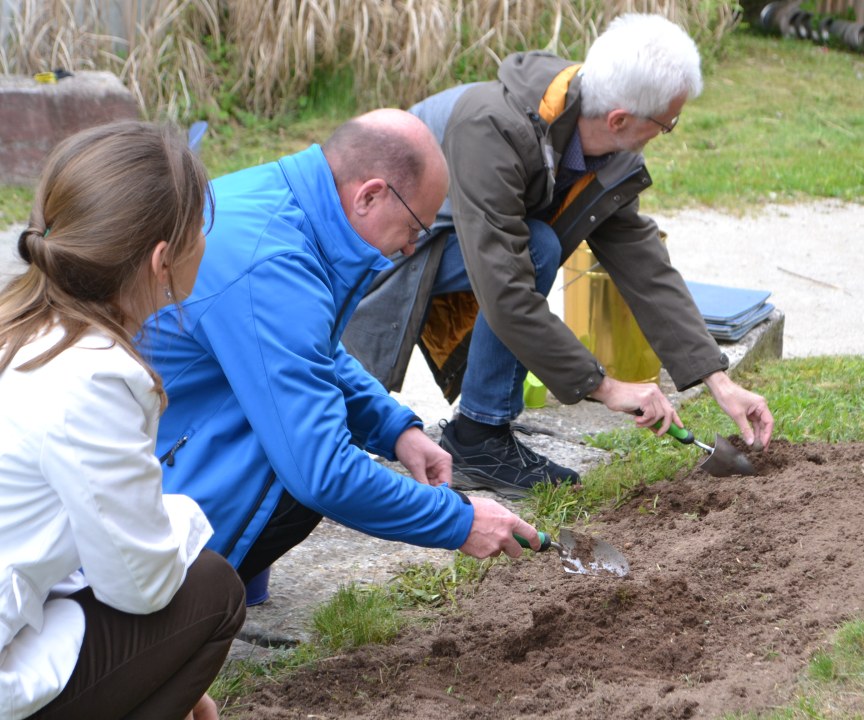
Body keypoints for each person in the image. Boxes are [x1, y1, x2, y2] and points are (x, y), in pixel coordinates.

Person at [343, 13, 775, 500]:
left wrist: (719, 381)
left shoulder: (598, 139)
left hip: (454, 247)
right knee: (536, 246)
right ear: (619, 119)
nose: (666, 131)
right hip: (375, 258)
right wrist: (606, 386)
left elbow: (644, 265)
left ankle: (484, 433)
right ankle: (479, 439)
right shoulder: (493, 128)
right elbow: (504, 291)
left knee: (537, 243)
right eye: (666, 124)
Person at [139, 109, 541, 588]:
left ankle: (221, 580)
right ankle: (197, 590)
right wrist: (461, 520)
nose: (411, 249)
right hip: (153, 494)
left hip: (178, 432)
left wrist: (394, 429)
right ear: (370, 195)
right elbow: (322, 472)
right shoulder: (271, 265)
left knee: (308, 427)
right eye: (415, 228)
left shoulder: (283, 199)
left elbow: (310, 353)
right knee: (309, 466)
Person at [0, 121, 245, 720]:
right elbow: (141, 585)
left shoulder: (19, 324)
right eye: (200, 230)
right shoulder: (97, 375)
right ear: (163, 260)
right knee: (211, 589)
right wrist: (183, 517)